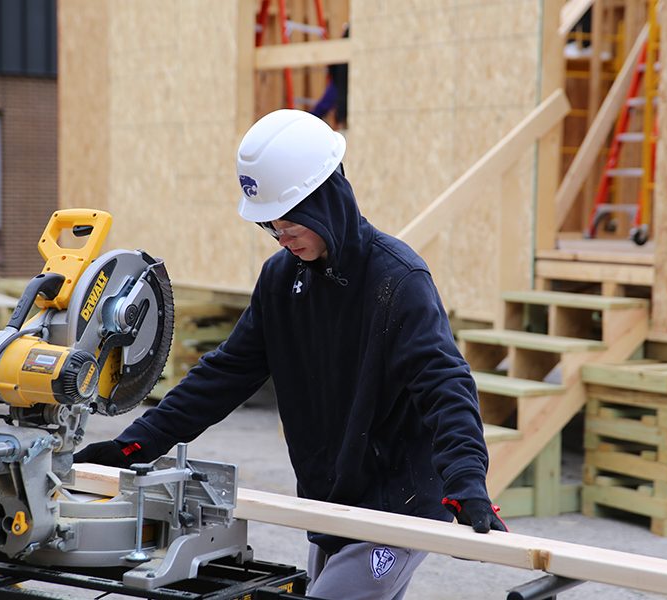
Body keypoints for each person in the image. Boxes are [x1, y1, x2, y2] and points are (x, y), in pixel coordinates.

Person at [75, 109, 506, 600]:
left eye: (289, 219)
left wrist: (467, 479)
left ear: (325, 199)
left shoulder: (398, 281)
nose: (281, 234)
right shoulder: (282, 281)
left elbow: (444, 384)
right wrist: (134, 446)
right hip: (329, 504)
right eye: (269, 224)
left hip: (396, 507)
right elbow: (223, 376)